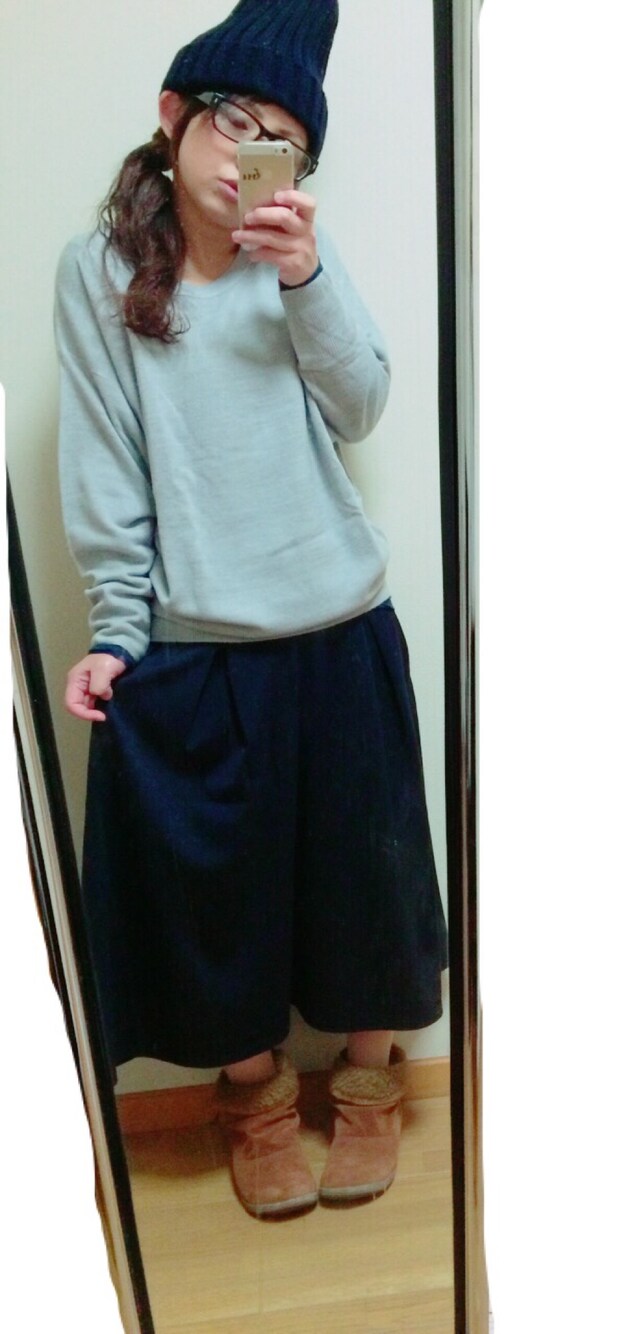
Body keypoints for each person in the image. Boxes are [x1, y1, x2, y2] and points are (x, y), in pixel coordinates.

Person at [55, 0, 448, 1220]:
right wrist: (116, 632)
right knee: (212, 898)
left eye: (285, 140)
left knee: (364, 879)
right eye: (235, 121)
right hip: (198, 643)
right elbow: (105, 467)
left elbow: (365, 401)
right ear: (174, 115)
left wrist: (307, 277)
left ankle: (370, 1086)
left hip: (337, 623)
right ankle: (256, 1099)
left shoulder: (296, 259)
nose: (251, 155)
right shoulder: (98, 274)